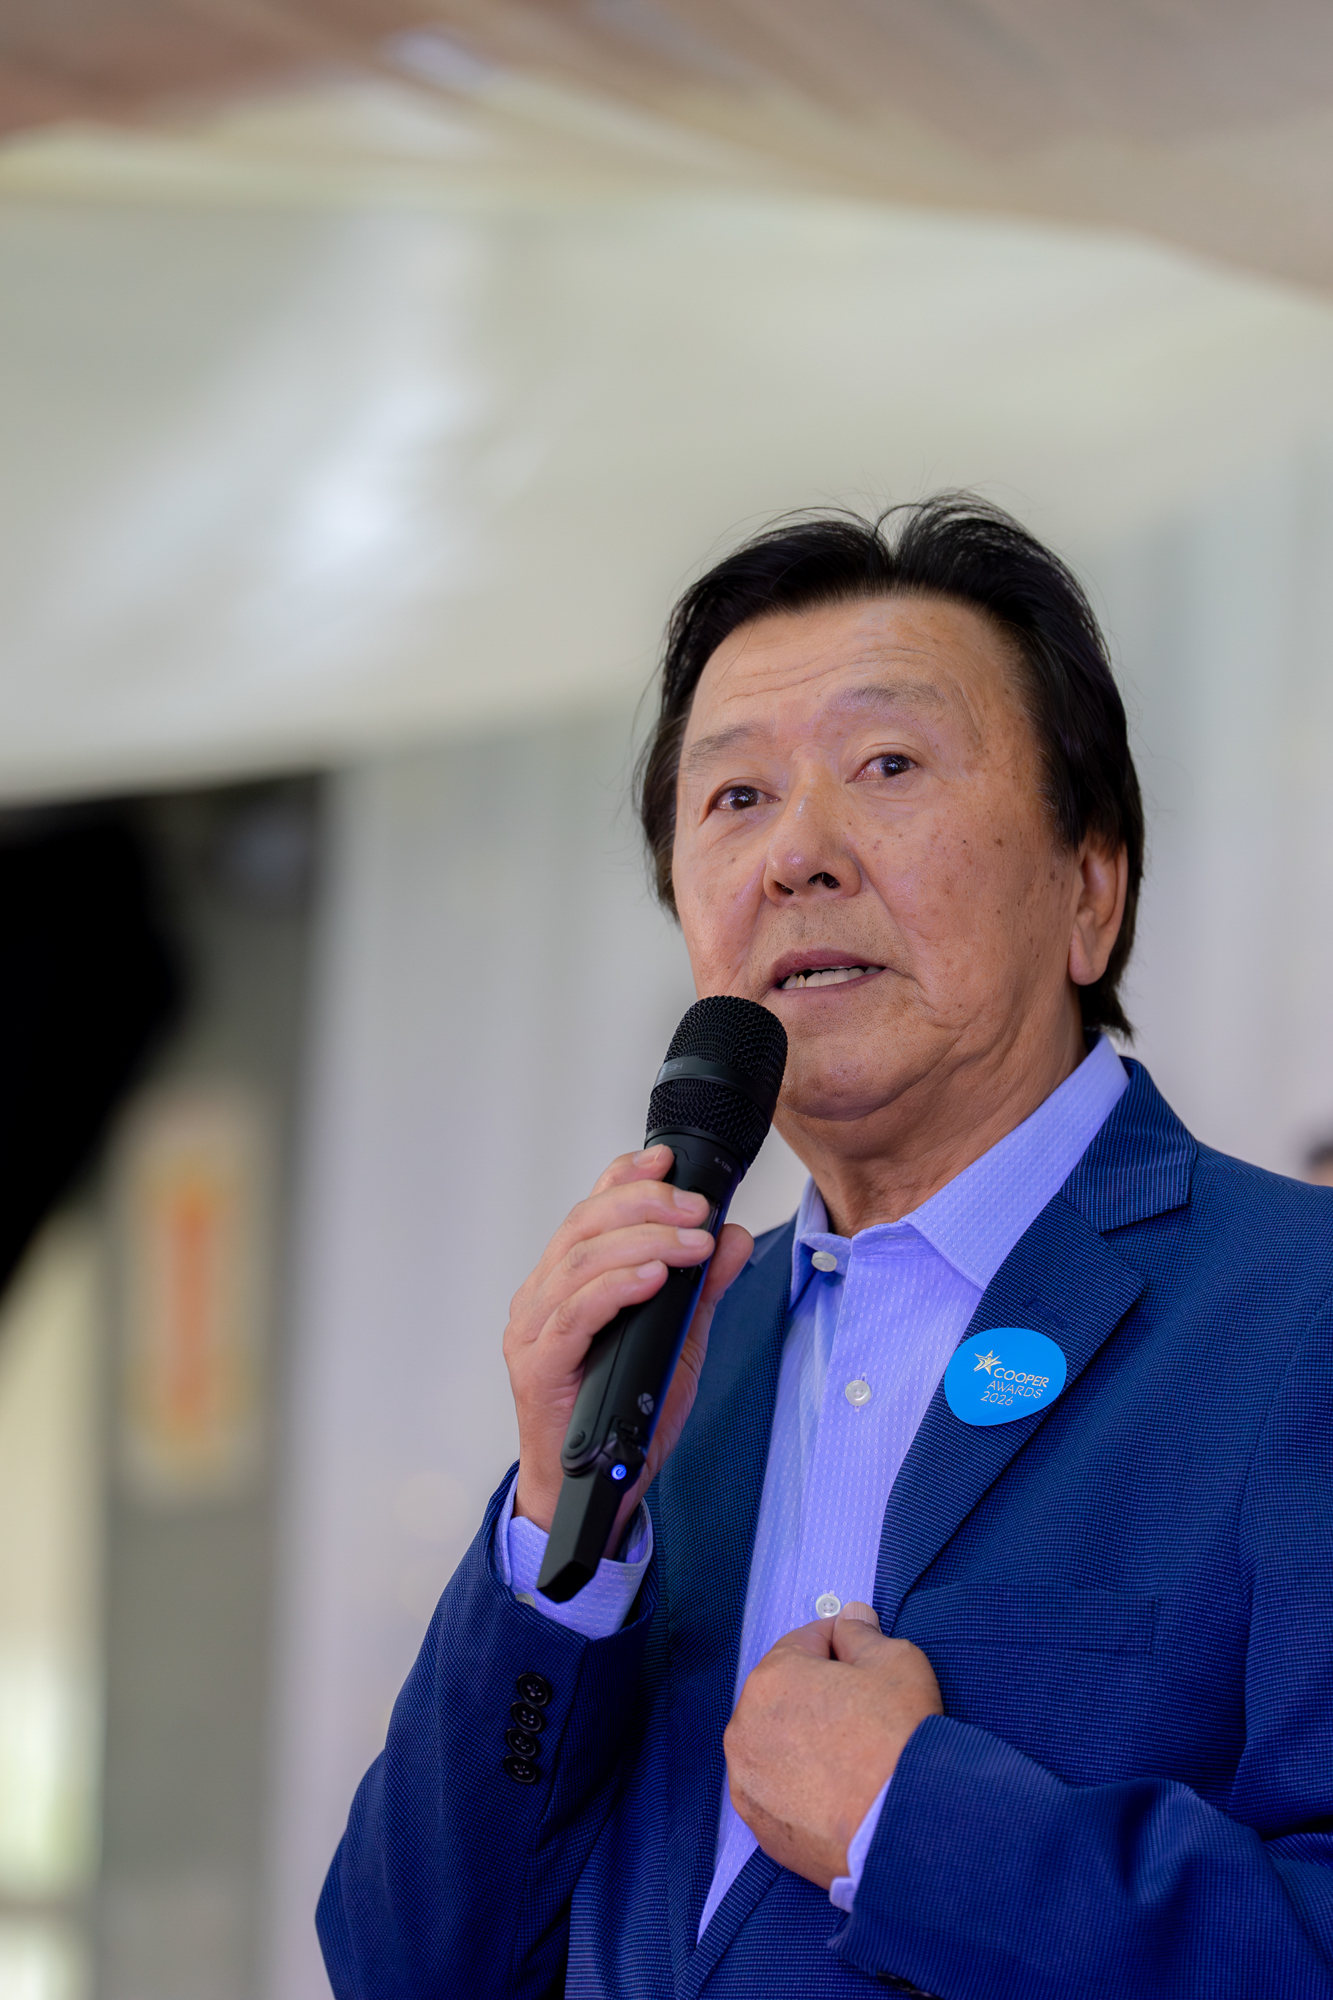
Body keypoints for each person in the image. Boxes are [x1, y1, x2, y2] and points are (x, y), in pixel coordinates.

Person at [317, 497, 1333, 1999]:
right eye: (735, 797)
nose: (796, 854)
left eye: (888, 766)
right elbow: (411, 1966)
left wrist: (912, 1827)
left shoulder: (1293, 1306)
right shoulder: (673, 1363)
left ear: (1090, 888)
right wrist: (557, 1540)